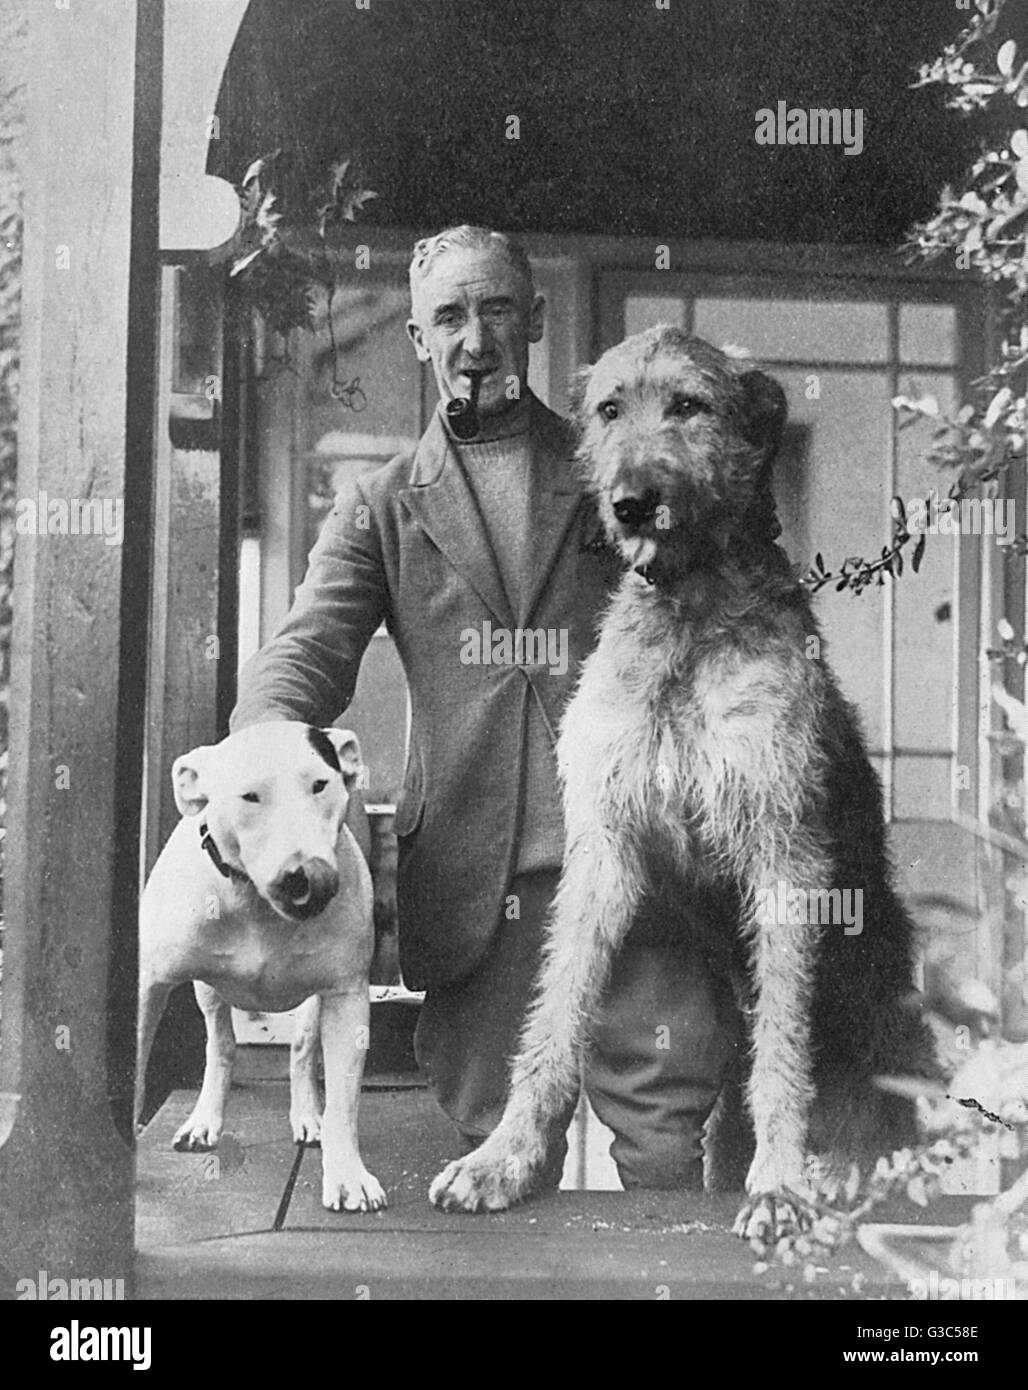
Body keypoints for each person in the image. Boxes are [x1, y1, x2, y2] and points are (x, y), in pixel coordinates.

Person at [232, 225, 739, 1187]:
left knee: (669, 1136)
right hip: (474, 884)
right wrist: (255, 751)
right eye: (450, 317)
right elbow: (311, 648)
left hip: (642, 857)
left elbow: (716, 599)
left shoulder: (612, 468)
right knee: (493, 1161)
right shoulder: (378, 504)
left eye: (498, 309)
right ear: (420, 338)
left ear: (535, 319)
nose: (477, 339)